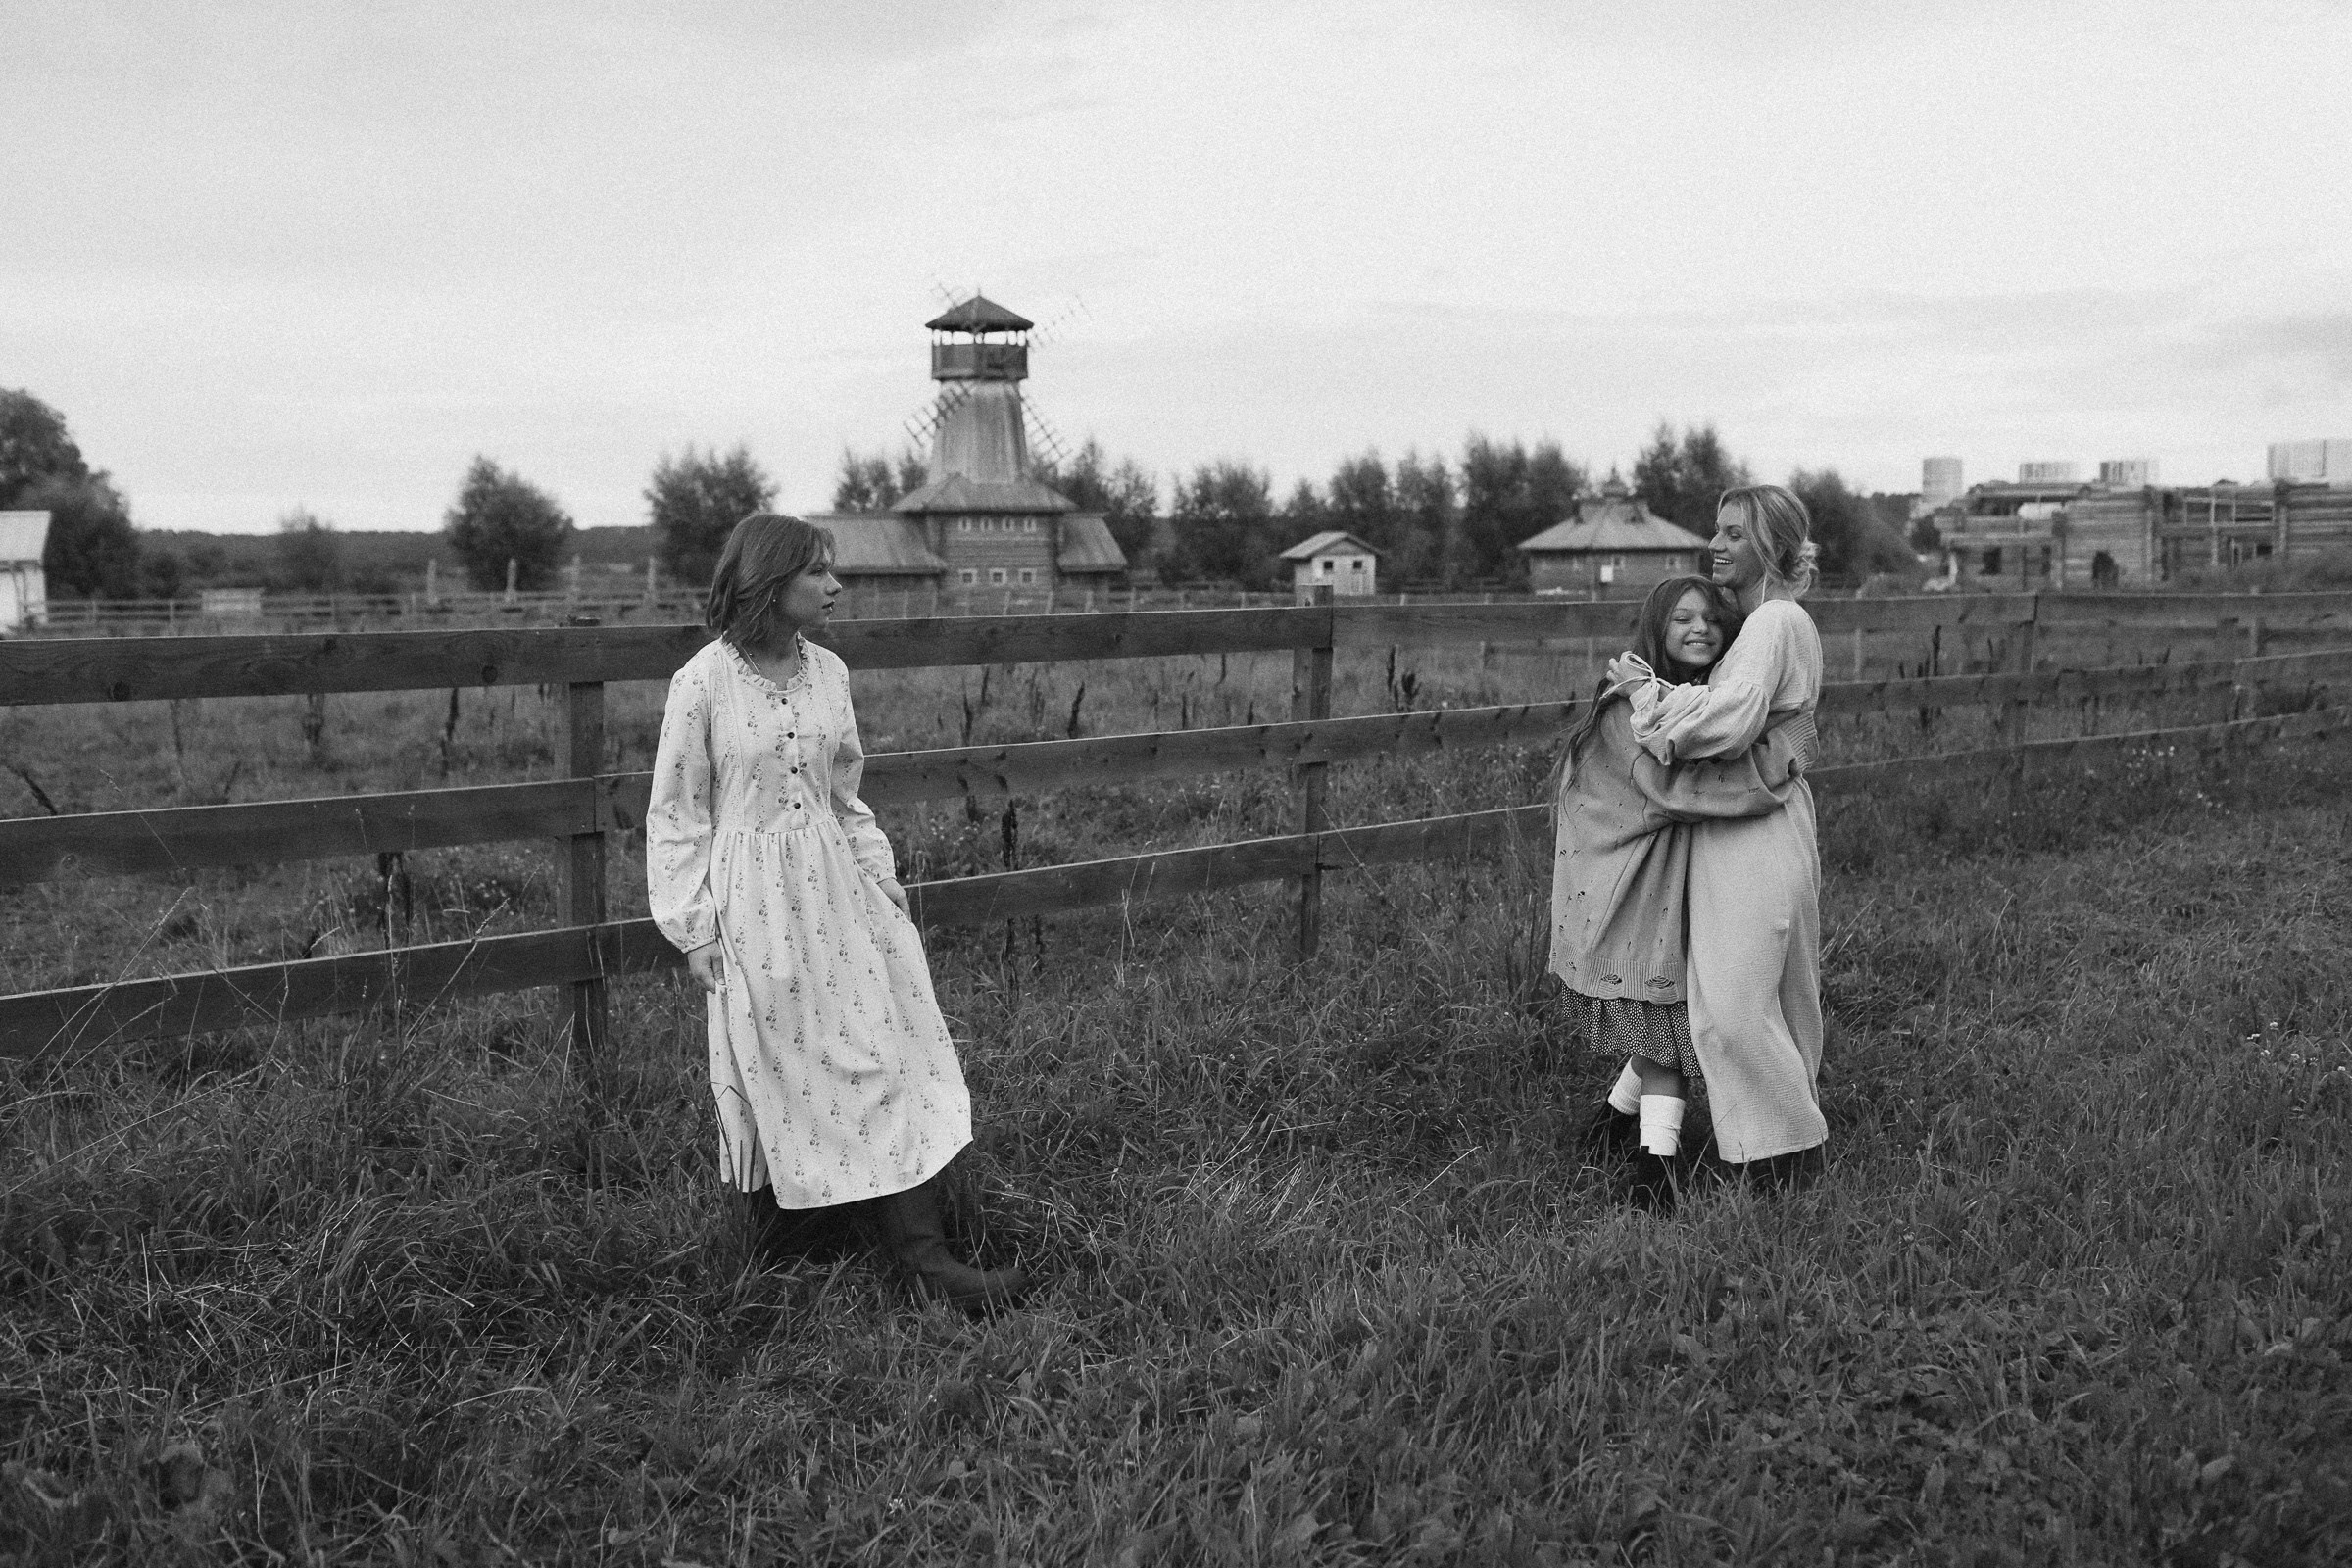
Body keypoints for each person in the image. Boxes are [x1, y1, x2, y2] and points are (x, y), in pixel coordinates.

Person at [647, 513, 1028, 1310]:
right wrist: (693, 929)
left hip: (835, 892)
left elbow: (844, 796)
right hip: (752, 904)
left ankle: (927, 1265)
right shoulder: (703, 683)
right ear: (770, 583)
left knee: (880, 1052)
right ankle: (786, 1253)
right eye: (818, 572)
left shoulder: (830, 674)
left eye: (832, 571)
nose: (836, 586)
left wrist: (879, 880)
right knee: (778, 1070)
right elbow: (677, 813)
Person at [1552, 574, 1812, 1209]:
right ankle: (1655, 1169)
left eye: (1713, 620)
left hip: (1659, 880)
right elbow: (1678, 793)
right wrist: (1774, 776)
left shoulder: (1688, 702)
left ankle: (1611, 1124)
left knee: (1663, 1017)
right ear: (1656, 630)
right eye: (1683, 620)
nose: (1701, 629)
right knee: (1665, 1022)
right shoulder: (1629, 710)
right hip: (1622, 880)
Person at [1608, 485, 1828, 1181]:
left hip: (1753, 832)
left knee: (1733, 1001)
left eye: (1734, 533)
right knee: (1759, 988)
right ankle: (1754, 1140)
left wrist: (1648, 700)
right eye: (1717, 531)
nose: (1717, 545)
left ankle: (1782, 1154)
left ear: (1773, 543)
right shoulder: (1769, 622)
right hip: (1751, 822)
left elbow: (1728, 721)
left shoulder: (1772, 623)